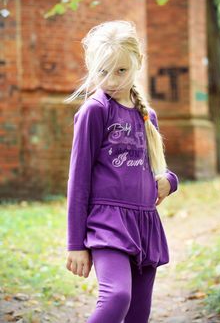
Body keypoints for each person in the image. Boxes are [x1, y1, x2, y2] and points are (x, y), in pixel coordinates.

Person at [64, 20, 179, 323]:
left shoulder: (147, 115)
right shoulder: (95, 110)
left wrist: (170, 182)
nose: (112, 80)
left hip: (144, 225)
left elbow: (155, 171)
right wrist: (76, 244)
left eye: (121, 71)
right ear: (91, 67)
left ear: (138, 63)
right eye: (103, 71)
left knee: (138, 314)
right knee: (117, 296)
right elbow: (78, 182)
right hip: (107, 224)